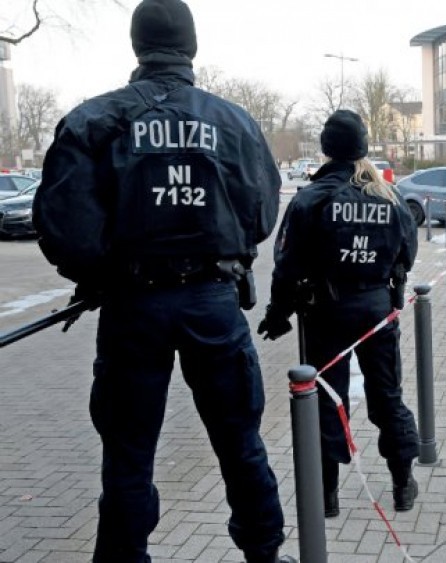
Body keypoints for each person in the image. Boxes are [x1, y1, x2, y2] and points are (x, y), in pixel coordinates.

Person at [32, 1, 293, 561]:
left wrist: (104, 272)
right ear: (191, 48)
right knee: (240, 442)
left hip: (133, 306)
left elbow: (64, 226)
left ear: (137, 47)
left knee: (127, 456)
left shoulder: (94, 119)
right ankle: (265, 553)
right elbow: (262, 211)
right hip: (211, 303)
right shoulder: (233, 121)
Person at [258, 109, 420, 518]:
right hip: (376, 313)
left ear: (327, 149)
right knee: (387, 396)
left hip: (325, 315)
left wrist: (278, 314)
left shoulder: (311, 199)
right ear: (363, 148)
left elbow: (287, 265)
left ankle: (326, 495)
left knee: (326, 401)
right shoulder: (390, 198)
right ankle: (403, 482)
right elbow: (406, 256)